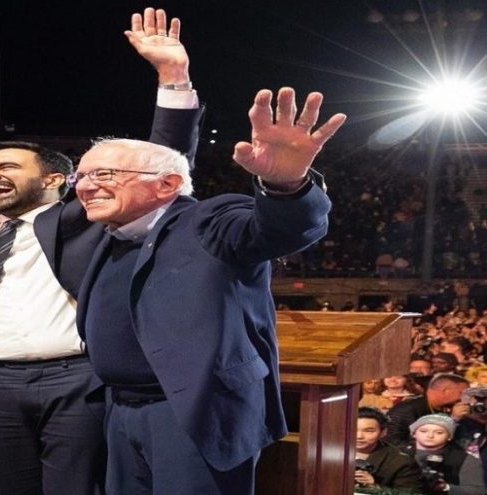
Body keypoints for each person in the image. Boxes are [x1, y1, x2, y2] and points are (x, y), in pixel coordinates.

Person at [0, 7, 203, 494]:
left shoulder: (87, 220)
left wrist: (173, 78)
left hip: (74, 382)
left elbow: (161, 163)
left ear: (54, 179)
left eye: (6, 163)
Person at [72, 86, 346, 494]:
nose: (86, 187)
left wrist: (287, 186)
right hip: (121, 411)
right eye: (82, 175)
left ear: (166, 185)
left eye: (105, 175)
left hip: (195, 414)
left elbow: (281, 230)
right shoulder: (108, 235)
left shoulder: (208, 219)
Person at [408, 414, 486, 494]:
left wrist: (445, 487)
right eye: (423, 431)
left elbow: (478, 491)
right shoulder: (400, 454)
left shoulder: (464, 459)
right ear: (414, 433)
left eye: (439, 432)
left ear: (449, 436)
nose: (430, 436)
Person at [387, 373, 470, 447]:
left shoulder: (449, 407)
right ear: (446, 391)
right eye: (462, 393)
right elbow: (391, 441)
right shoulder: (406, 410)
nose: (465, 397)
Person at [355, 407, 425, 492]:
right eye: (353, 429)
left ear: (383, 432)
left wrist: (375, 488)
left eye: (369, 431)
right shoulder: (335, 453)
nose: (359, 436)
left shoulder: (402, 462)